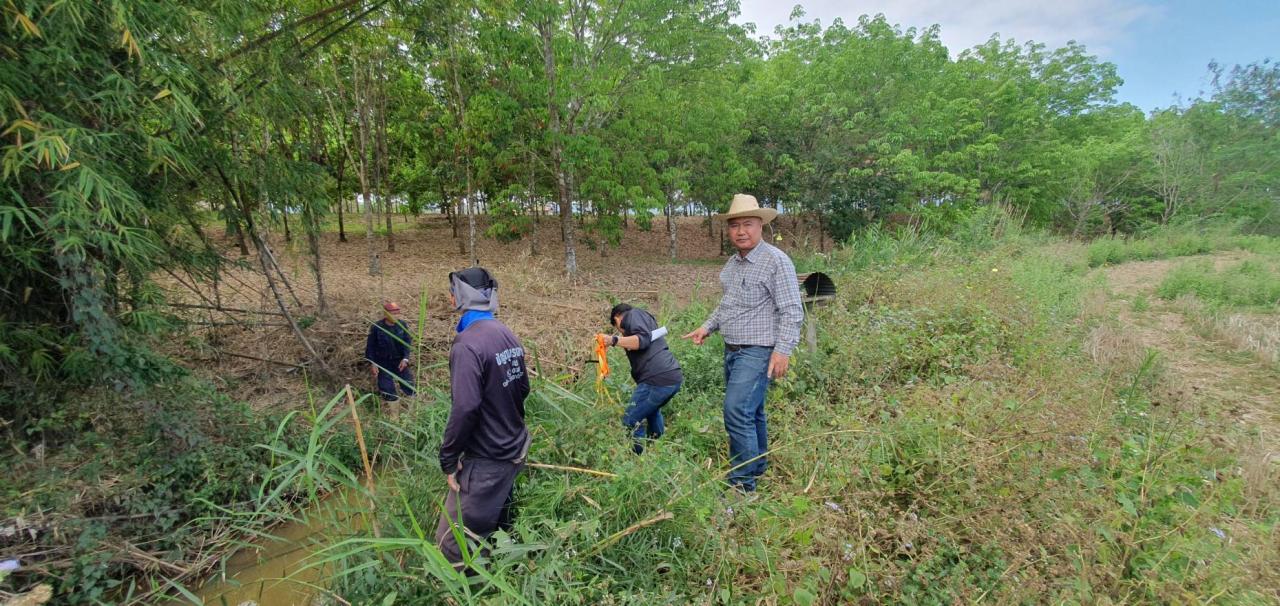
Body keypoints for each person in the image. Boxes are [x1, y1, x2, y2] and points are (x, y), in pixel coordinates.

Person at [682, 194, 803, 493]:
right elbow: (728, 305)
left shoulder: (776, 262)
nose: (740, 231)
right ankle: (758, 467)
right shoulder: (733, 264)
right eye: (734, 225)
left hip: (758, 351)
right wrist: (707, 327)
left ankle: (742, 486)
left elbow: (791, 309)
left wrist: (782, 351)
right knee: (753, 411)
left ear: (760, 225)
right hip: (733, 350)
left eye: (747, 224)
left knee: (736, 411)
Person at [435, 267, 531, 566]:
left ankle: (466, 593)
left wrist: (449, 459)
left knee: (450, 545)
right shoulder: (506, 333)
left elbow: (465, 407)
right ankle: (505, 578)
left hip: (488, 460)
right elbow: (523, 388)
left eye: (452, 293)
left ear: (458, 298)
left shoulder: (467, 344)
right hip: (515, 448)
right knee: (499, 528)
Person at [599, 303, 683, 454]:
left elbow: (641, 340)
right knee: (652, 411)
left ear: (617, 319)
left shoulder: (633, 315)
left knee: (631, 420)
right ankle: (657, 450)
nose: (622, 333)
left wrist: (613, 340)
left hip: (656, 378)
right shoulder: (646, 319)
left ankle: (637, 457)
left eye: (619, 329)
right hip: (671, 376)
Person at [364, 300, 415, 405]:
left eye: (397, 314)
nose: (396, 316)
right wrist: (373, 363)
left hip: (400, 361)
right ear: (386, 314)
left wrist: (405, 358)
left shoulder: (402, 325)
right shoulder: (377, 327)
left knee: (409, 386)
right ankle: (393, 412)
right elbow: (370, 346)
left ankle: (414, 410)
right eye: (393, 314)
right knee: (387, 390)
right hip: (383, 363)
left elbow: (407, 343)